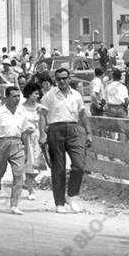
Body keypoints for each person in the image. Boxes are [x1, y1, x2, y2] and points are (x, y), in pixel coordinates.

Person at [38, 67, 92, 213]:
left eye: (64, 78)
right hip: (56, 129)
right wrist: (42, 134)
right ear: (55, 80)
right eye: (59, 79)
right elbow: (42, 115)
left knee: (79, 165)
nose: (61, 81)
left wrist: (89, 133)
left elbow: (83, 115)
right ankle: (59, 202)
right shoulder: (50, 95)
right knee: (58, 168)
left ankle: (71, 196)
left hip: (74, 130)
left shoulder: (77, 95)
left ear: (69, 79)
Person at [0, 86, 33, 214]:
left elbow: (24, 134)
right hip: (0, 144)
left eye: (19, 96)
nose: (17, 99)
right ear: (6, 97)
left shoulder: (22, 112)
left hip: (17, 144)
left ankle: (14, 205)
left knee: (18, 175)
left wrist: (27, 152)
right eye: (14, 96)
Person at [20, 80, 45, 201]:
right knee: (28, 163)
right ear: (29, 94)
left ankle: (29, 182)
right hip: (25, 138)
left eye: (38, 94)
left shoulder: (40, 108)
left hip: (38, 137)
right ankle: (31, 189)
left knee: (38, 164)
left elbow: (46, 119)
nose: (37, 96)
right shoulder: (21, 109)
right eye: (35, 94)